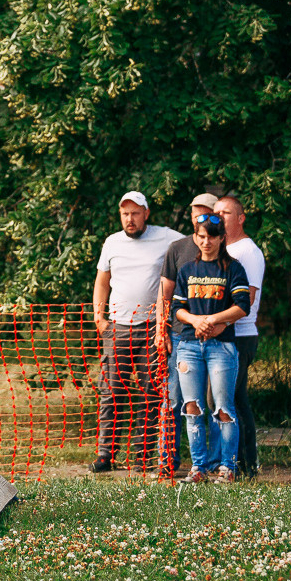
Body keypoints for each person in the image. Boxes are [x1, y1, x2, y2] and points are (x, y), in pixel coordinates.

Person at [92, 191, 184, 473]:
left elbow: (196, 244)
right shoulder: (112, 242)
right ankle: (105, 454)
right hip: (117, 328)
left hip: (152, 329)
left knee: (150, 392)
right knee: (111, 391)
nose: (129, 219)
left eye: (135, 213)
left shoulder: (166, 237)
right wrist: (99, 317)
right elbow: (102, 281)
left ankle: (142, 455)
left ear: (146, 213)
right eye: (125, 214)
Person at [171, 212, 251, 483]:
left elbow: (242, 306)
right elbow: (177, 308)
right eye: (201, 237)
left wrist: (213, 320)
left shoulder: (233, 269)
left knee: (223, 408)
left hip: (222, 347)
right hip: (189, 346)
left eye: (212, 237)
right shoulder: (187, 270)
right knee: (192, 407)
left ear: (222, 238)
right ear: (195, 237)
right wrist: (196, 321)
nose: (206, 242)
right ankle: (198, 468)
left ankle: (227, 467)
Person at [156, 193, 222, 476]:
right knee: (173, 399)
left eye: (206, 212)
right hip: (181, 337)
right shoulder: (177, 248)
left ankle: (215, 463)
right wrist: (161, 329)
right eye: (196, 212)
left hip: (217, 339)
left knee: (215, 402)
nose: (199, 217)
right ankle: (167, 462)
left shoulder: (223, 248)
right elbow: (164, 293)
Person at [216, 195, 265, 478]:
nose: (220, 217)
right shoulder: (222, 248)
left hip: (240, 334)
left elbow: (248, 299)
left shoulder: (247, 251)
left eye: (226, 212)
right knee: (226, 399)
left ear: (240, 218)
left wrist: (217, 322)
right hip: (224, 333)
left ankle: (247, 465)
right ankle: (232, 461)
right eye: (217, 212)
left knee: (234, 400)